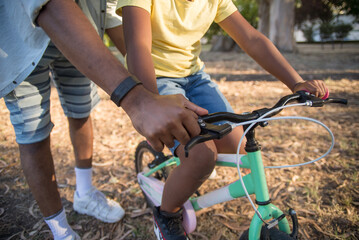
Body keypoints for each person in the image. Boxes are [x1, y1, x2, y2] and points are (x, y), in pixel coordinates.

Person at [116, 0, 329, 239]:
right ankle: (166, 215)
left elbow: (251, 38)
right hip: (157, 77)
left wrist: (296, 83)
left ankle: (187, 166)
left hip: (194, 77)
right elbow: (137, 46)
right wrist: (152, 102)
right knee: (202, 156)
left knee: (236, 146)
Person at [0, 0, 208, 239]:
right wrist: (138, 100)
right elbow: (47, 4)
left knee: (81, 112)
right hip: (20, 42)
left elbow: (109, 14)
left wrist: (156, 83)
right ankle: (60, 229)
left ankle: (85, 193)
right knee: (33, 133)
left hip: (82, 37)